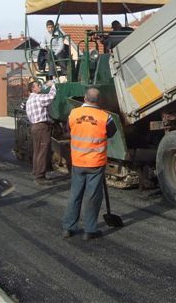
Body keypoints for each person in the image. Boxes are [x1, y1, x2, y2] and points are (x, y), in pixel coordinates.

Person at [62, 87, 117, 240]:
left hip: (78, 161)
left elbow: (67, 130)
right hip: (95, 163)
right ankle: (89, 230)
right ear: (99, 101)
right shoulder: (105, 117)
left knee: (75, 194)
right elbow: (112, 133)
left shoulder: (73, 114)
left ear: (85, 99)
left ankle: (68, 228)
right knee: (93, 196)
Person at [25, 79, 64, 186]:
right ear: (33, 88)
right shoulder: (37, 98)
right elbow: (51, 97)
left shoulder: (29, 100)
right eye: (38, 85)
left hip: (35, 127)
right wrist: (53, 85)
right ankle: (40, 177)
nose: (40, 87)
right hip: (42, 127)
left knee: (37, 151)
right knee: (43, 151)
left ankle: (36, 172)